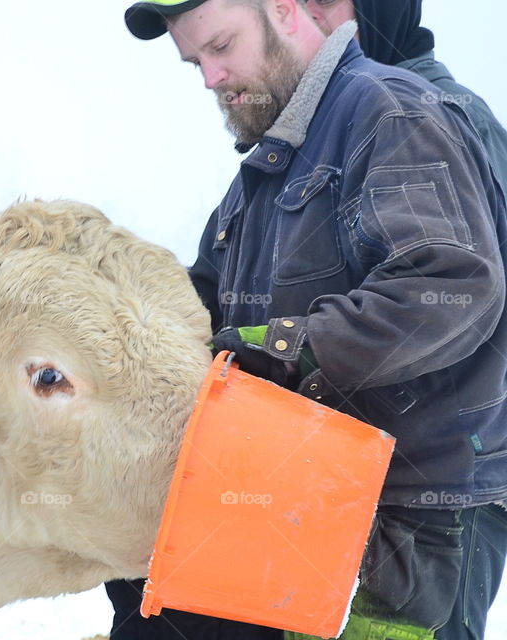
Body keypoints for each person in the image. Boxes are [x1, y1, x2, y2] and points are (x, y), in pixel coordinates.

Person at [108, 1, 507, 639]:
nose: (210, 78)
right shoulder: (262, 174)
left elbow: (451, 283)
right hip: (300, 499)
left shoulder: (391, 113)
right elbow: (198, 310)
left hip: (408, 527)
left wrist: (291, 346)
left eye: (221, 46)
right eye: (194, 63)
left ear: (285, 9)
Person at [305, 0, 507, 199]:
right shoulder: (308, 122)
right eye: (301, 1)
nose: (307, 11)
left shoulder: (463, 118)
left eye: (326, 0)